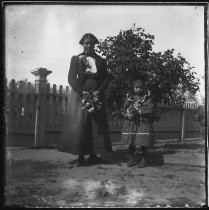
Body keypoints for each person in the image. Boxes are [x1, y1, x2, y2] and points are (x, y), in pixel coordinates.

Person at [58, 33, 112, 165]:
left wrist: (99, 91)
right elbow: (71, 78)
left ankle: (94, 155)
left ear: (95, 44)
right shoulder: (76, 59)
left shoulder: (101, 61)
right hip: (80, 95)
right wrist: (82, 92)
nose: (89, 45)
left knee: (95, 124)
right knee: (81, 124)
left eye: (91, 43)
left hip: (96, 95)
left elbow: (106, 78)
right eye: (86, 43)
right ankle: (80, 155)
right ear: (83, 44)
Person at [121, 76, 156, 167]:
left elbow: (150, 109)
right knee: (131, 142)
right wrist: (127, 114)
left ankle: (144, 160)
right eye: (136, 87)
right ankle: (131, 159)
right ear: (133, 88)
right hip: (132, 122)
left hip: (142, 122)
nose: (138, 89)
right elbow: (124, 109)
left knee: (143, 141)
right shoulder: (130, 98)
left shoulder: (146, 98)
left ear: (143, 88)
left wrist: (140, 111)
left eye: (140, 87)